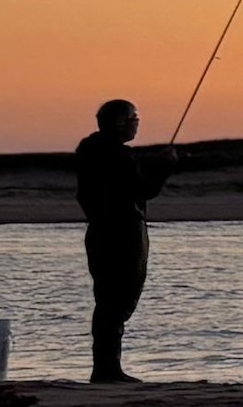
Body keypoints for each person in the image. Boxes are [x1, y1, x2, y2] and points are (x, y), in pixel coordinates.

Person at [73, 98, 176, 383]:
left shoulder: (91, 150)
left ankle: (106, 367)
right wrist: (164, 167)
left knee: (108, 299)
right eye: (134, 118)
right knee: (116, 300)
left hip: (101, 232)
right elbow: (141, 188)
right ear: (120, 122)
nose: (136, 123)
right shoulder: (117, 156)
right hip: (121, 233)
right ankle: (107, 369)